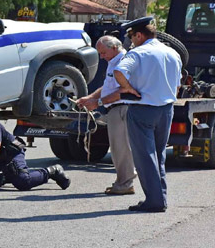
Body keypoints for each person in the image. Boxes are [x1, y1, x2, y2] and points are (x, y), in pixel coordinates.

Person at [114, 16, 182, 213]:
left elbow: (119, 72)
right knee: (158, 155)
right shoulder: (172, 52)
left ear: (139, 35)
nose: (131, 41)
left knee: (145, 157)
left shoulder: (137, 53)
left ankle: (155, 201)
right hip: (166, 109)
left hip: (143, 108)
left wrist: (128, 89)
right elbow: (177, 84)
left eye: (132, 37)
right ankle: (160, 197)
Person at [77, 35, 136, 195]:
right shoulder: (114, 62)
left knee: (122, 148)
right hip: (116, 108)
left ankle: (125, 183)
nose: (102, 57)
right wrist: (91, 97)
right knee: (118, 148)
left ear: (115, 48)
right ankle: (123, 181)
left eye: (103, 53)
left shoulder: (124, 62)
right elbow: (107, 87)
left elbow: (122, 90)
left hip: (122, 107)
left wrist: (98, 103)